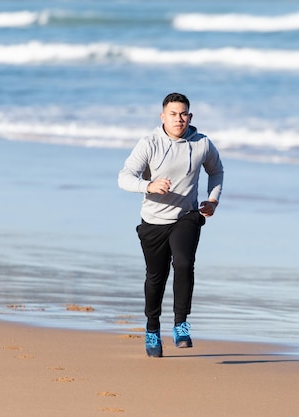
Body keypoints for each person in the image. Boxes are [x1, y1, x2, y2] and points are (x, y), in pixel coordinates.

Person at [118, 92, 224, 357]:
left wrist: (213, 199)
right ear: (163, 116)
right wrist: (149, 185)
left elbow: (216, 171)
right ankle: (152, 329)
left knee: (184, 264)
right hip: (153, 221)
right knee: (156, 277)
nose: (179, 119)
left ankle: (180, 324)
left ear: (190, 116)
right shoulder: (149, 143)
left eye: (184, 113)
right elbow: (124, 177)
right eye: (174, 114)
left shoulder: (201, 144)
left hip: (186, 216)